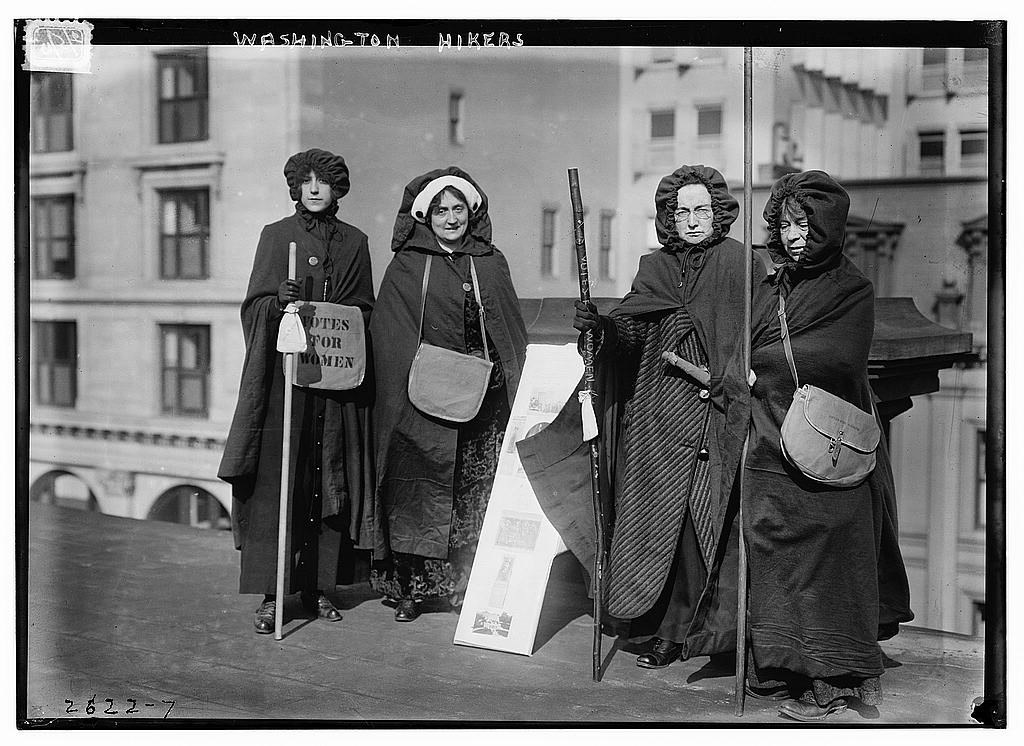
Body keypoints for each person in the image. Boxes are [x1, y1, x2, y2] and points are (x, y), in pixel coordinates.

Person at [554, 164, 754, 668]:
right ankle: (667, 629)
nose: (691, 220)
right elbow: (632, 335)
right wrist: (600, 327)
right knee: (658, 526)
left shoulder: (743, 265)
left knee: (703, 528)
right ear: (669, 216)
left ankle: (714, 634)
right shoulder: (655, 268)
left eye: (701, 210)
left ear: (719, 212)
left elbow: (757, 336)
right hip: (659, 415)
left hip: (717, 415)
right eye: (681, 211)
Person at [744, 170, 913, 721]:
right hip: (768, 441)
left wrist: (765, 362)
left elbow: (838, 361)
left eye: (804, 225)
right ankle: (783, 666)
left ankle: (833, 678)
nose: (793, 236)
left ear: (827, 229)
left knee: (829, 560)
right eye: (785, 224)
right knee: (774, 555)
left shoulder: (851, 290)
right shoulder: (767, 289)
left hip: (826, 448)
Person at [218, 148, 376, 634]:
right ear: (294, 187)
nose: (313, 189)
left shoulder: (355, 243)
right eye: (305, 181)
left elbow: (364, 309)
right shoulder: (276, 236)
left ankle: (318, 587)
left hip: (333, 384)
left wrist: (339, 324)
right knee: (279, 481)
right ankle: (273, 594)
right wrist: (276, 304)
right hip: (284, 383)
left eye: (323, 182)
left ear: (336, 189)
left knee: (329, 482)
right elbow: (253, 307)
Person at [368, 166, 528, 622]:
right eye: (441, 210)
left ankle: (466, 588)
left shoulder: (490, 261)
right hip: (422, 399)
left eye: (459, 209)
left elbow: (507, 328)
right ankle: (413, 591)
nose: (451, 218)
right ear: (427, 216)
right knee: (421, 487)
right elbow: (392, 336)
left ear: (470, 213)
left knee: (471, 492)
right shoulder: (408, 263)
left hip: (483, 399)